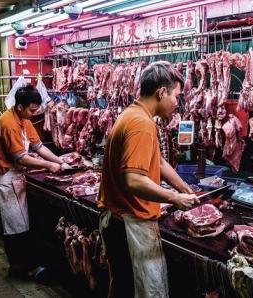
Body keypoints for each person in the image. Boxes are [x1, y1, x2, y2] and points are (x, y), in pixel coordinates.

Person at [98, 61, 199, 298]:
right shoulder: (141, 124)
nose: (178, 103)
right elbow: (133, 180)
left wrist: (185, 189)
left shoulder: (133, 115)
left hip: (120, 219)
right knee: (135, 290)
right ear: (161, 92)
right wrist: (175, 198)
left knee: (123, 285)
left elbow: (160, 162)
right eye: (176, 96)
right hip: (129, 224)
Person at [0, 85, 67, 279]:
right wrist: (49, 166)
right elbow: (20, 158)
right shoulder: (7, 124)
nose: (34, 113)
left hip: (16, 177)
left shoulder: (24, 120)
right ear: (20, 106)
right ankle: (20, 268)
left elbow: (38, 147)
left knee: (22, 224)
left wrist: (61, 161)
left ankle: (27, 264)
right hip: (5, 178)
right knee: (15, 226)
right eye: (31, 110)